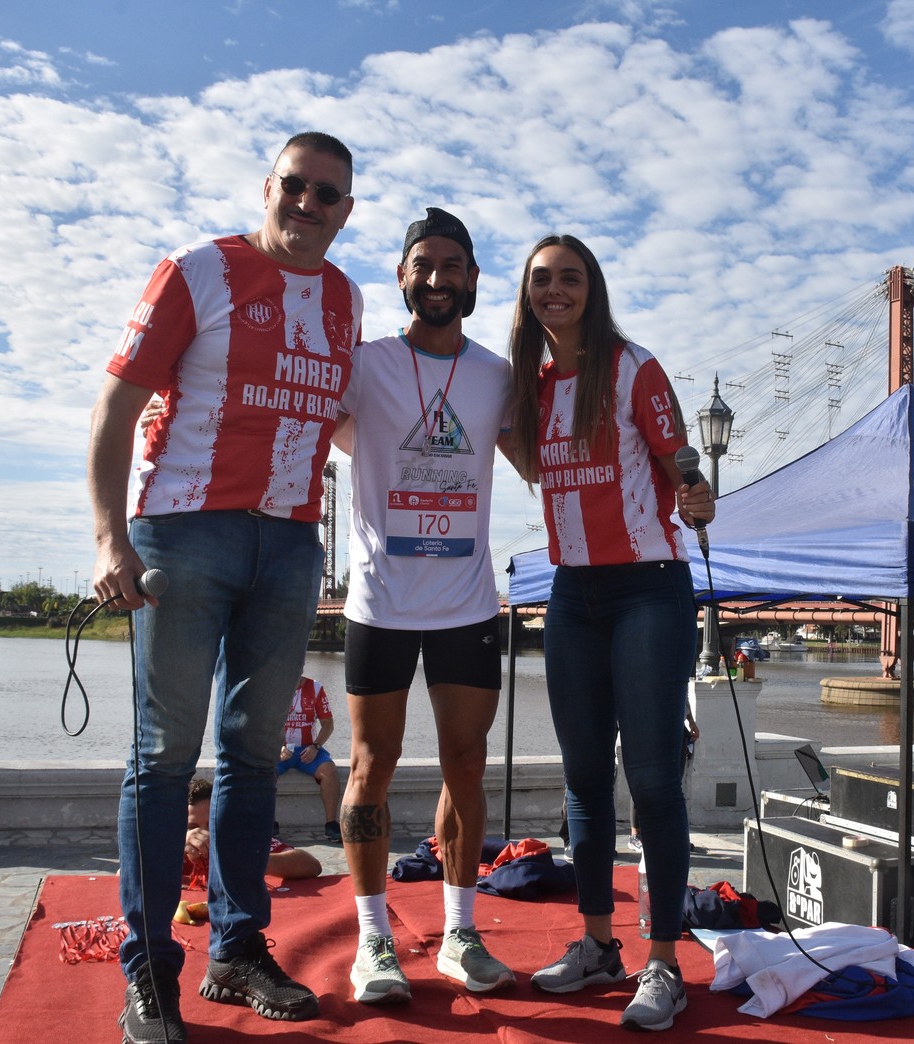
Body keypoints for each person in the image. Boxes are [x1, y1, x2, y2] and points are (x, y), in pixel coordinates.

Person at [88, 130, 361, 1044]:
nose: (308, 205)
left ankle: (237, 954)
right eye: (295, 186)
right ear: (269, 186)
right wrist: (107, 538)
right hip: (184, 533)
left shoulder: (345, 298)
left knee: (252, 757)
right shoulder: (196, 270)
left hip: (288, 546)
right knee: (163, 756)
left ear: (346, 209)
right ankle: (148, 973)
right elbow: (118, 403)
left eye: (327, 194)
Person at [505, 234, 713, 1032]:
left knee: (653, 779)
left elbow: (682, 471)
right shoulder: (528, 385)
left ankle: (663, 961)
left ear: (591, 288)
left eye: (569, 277)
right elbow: (513, 453)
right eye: (541, 280)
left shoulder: (633, 367)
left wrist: (698, 497)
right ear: (527, 295)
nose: (554, 290)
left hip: (646, 589)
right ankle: (597, 944)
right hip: (571, 592)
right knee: (584, 779)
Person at [335, 207, 517, 1005]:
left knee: (466, 765)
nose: (438, 279)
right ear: (402, 277)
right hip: (379, 601)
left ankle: (458, 932)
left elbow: (553, 462)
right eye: (423, 265)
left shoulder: (497, 377)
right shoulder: (361, 364)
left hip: (467, 603)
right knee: (371, 765)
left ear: (473, 281)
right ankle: (373, 940)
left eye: (453, 267)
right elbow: (301, 427)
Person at [185, 778, 321, 886]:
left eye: (212, 823)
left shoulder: (241, 838)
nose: (204, 833)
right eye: (192, 827)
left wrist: (250, 861)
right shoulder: (172, 844)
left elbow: (311, 866)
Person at [277, 676, 341, 841]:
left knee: (330, 771)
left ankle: (331, 825)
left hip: (308, 749)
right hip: (279, 749)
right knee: (263, 772)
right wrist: (277, 746)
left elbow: (328, 724)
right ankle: (269, 824)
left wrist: (316, 746)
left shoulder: (315, 688)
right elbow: (263, 724)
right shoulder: (273, 685)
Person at [628, 707, 699, 853]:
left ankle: (672, 835)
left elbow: (683, 694)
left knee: (674, 785)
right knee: (643, 780)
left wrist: (690, 720)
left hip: (676, 726)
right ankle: (635, 835)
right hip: (649, 724)